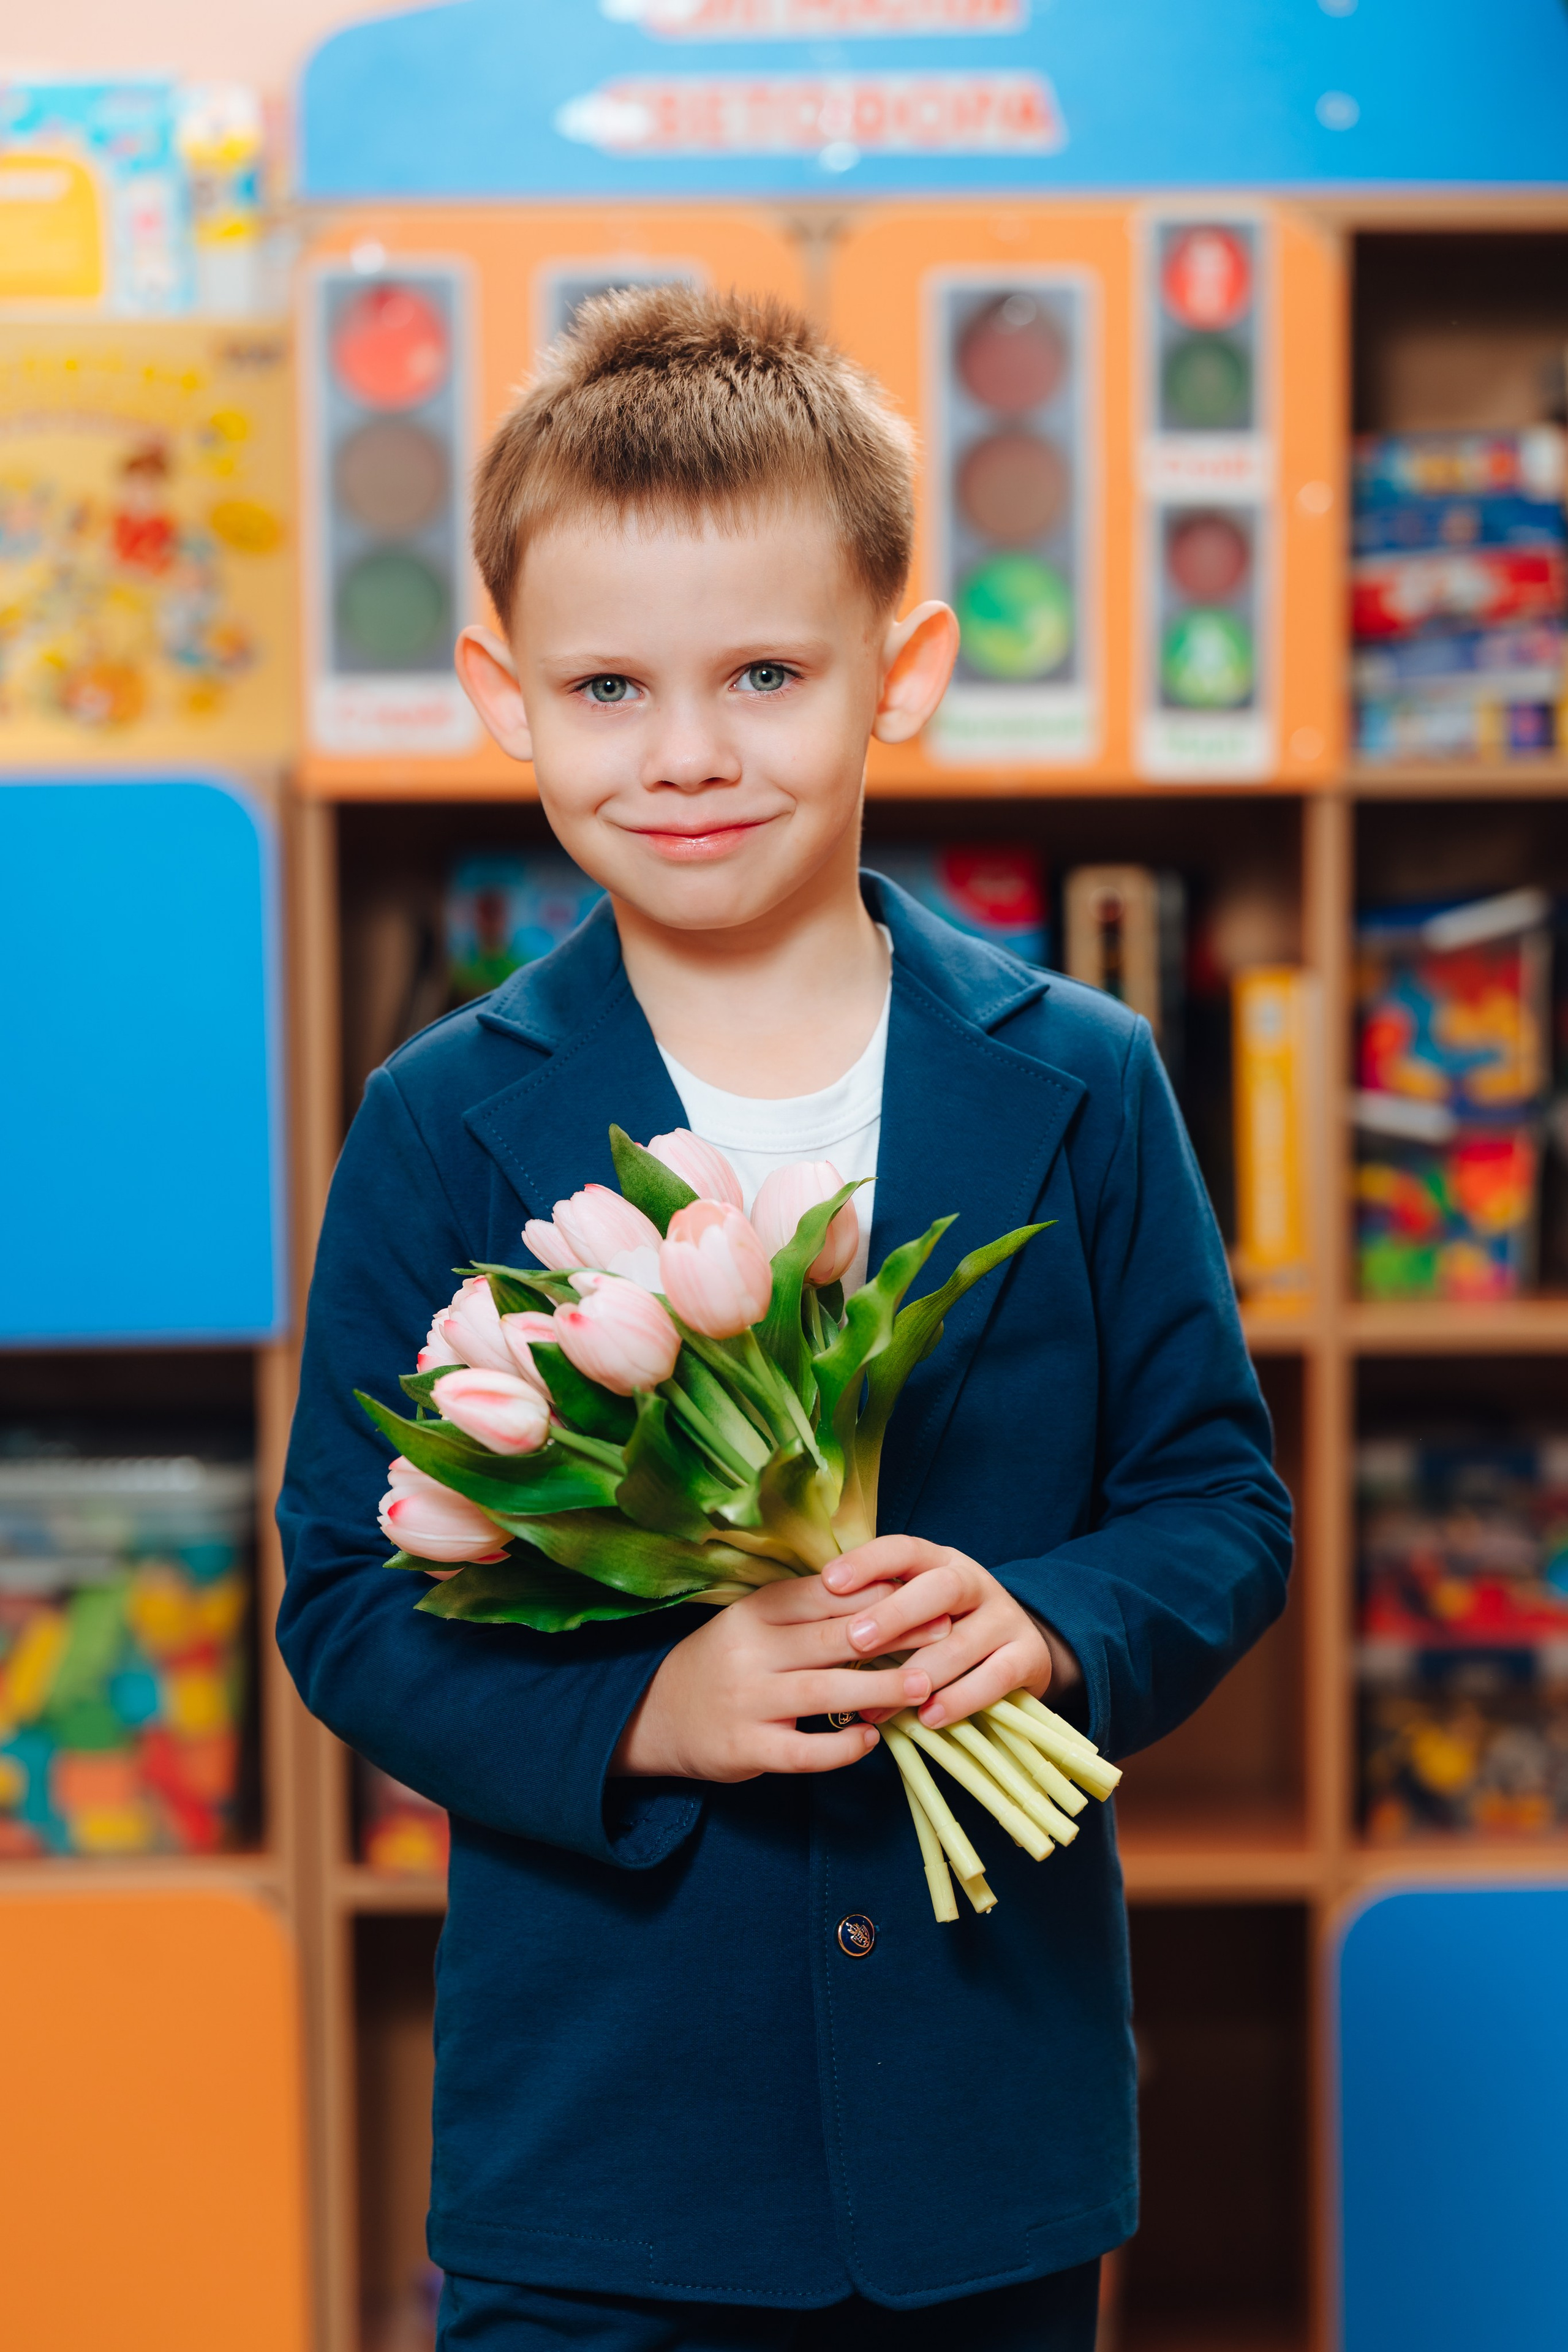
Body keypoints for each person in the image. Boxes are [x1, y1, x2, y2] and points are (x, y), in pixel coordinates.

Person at [277, 285, 1292, 2351]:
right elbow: (343, 1596)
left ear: (897, 674)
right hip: (604, 2164)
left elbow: (1217, 1501)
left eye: (764, 672)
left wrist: (1057, 1623)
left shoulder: (1080, 1075)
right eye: (609, 688)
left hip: (982, 2145)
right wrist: (648, 1711)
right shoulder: (442, 1116)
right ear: (505, 695)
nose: (690, 755)